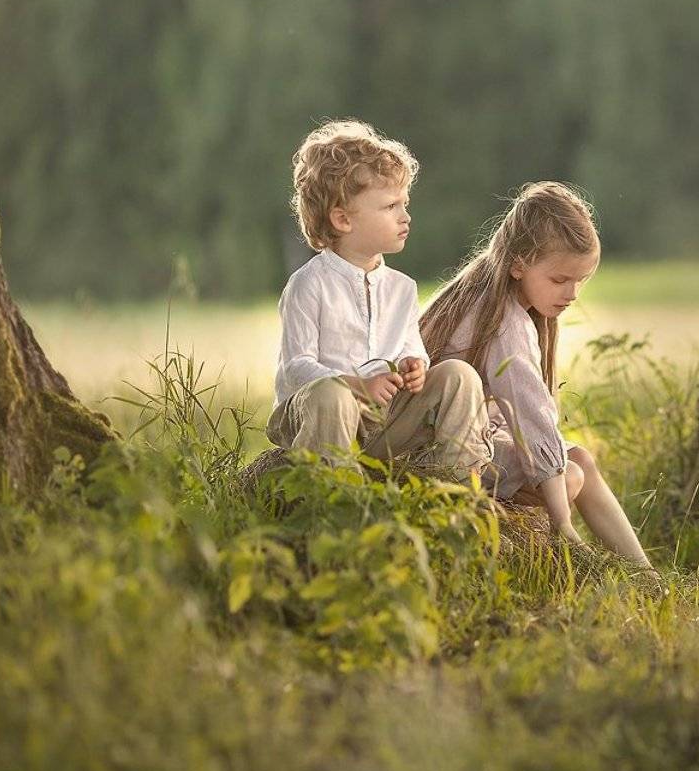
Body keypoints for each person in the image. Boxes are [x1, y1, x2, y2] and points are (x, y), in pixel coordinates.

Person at [420, 181, 658, 575]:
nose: (573, 293)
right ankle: (592, 564)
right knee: (571, 476)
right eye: (560, 280)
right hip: (445, 452)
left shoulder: (483, 292)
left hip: (465, 440)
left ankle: (644, 575)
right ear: (518, 265)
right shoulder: (505, 323)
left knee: (578, 461)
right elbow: (532, 420)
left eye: (581, 280)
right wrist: (564, 523)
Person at [266, 119, 492, 481]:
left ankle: (457, 487)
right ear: (343, 219)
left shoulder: (402, 288)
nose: (405, 216)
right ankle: (339, 497)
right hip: (317, 415)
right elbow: (297, 368)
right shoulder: (308, 284)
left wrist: (413, 365)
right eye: (390, 206)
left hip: (382, 421)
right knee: (332, 396)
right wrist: (357, 384)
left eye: (404, 203)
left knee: (458, 375)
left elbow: (410, 347)